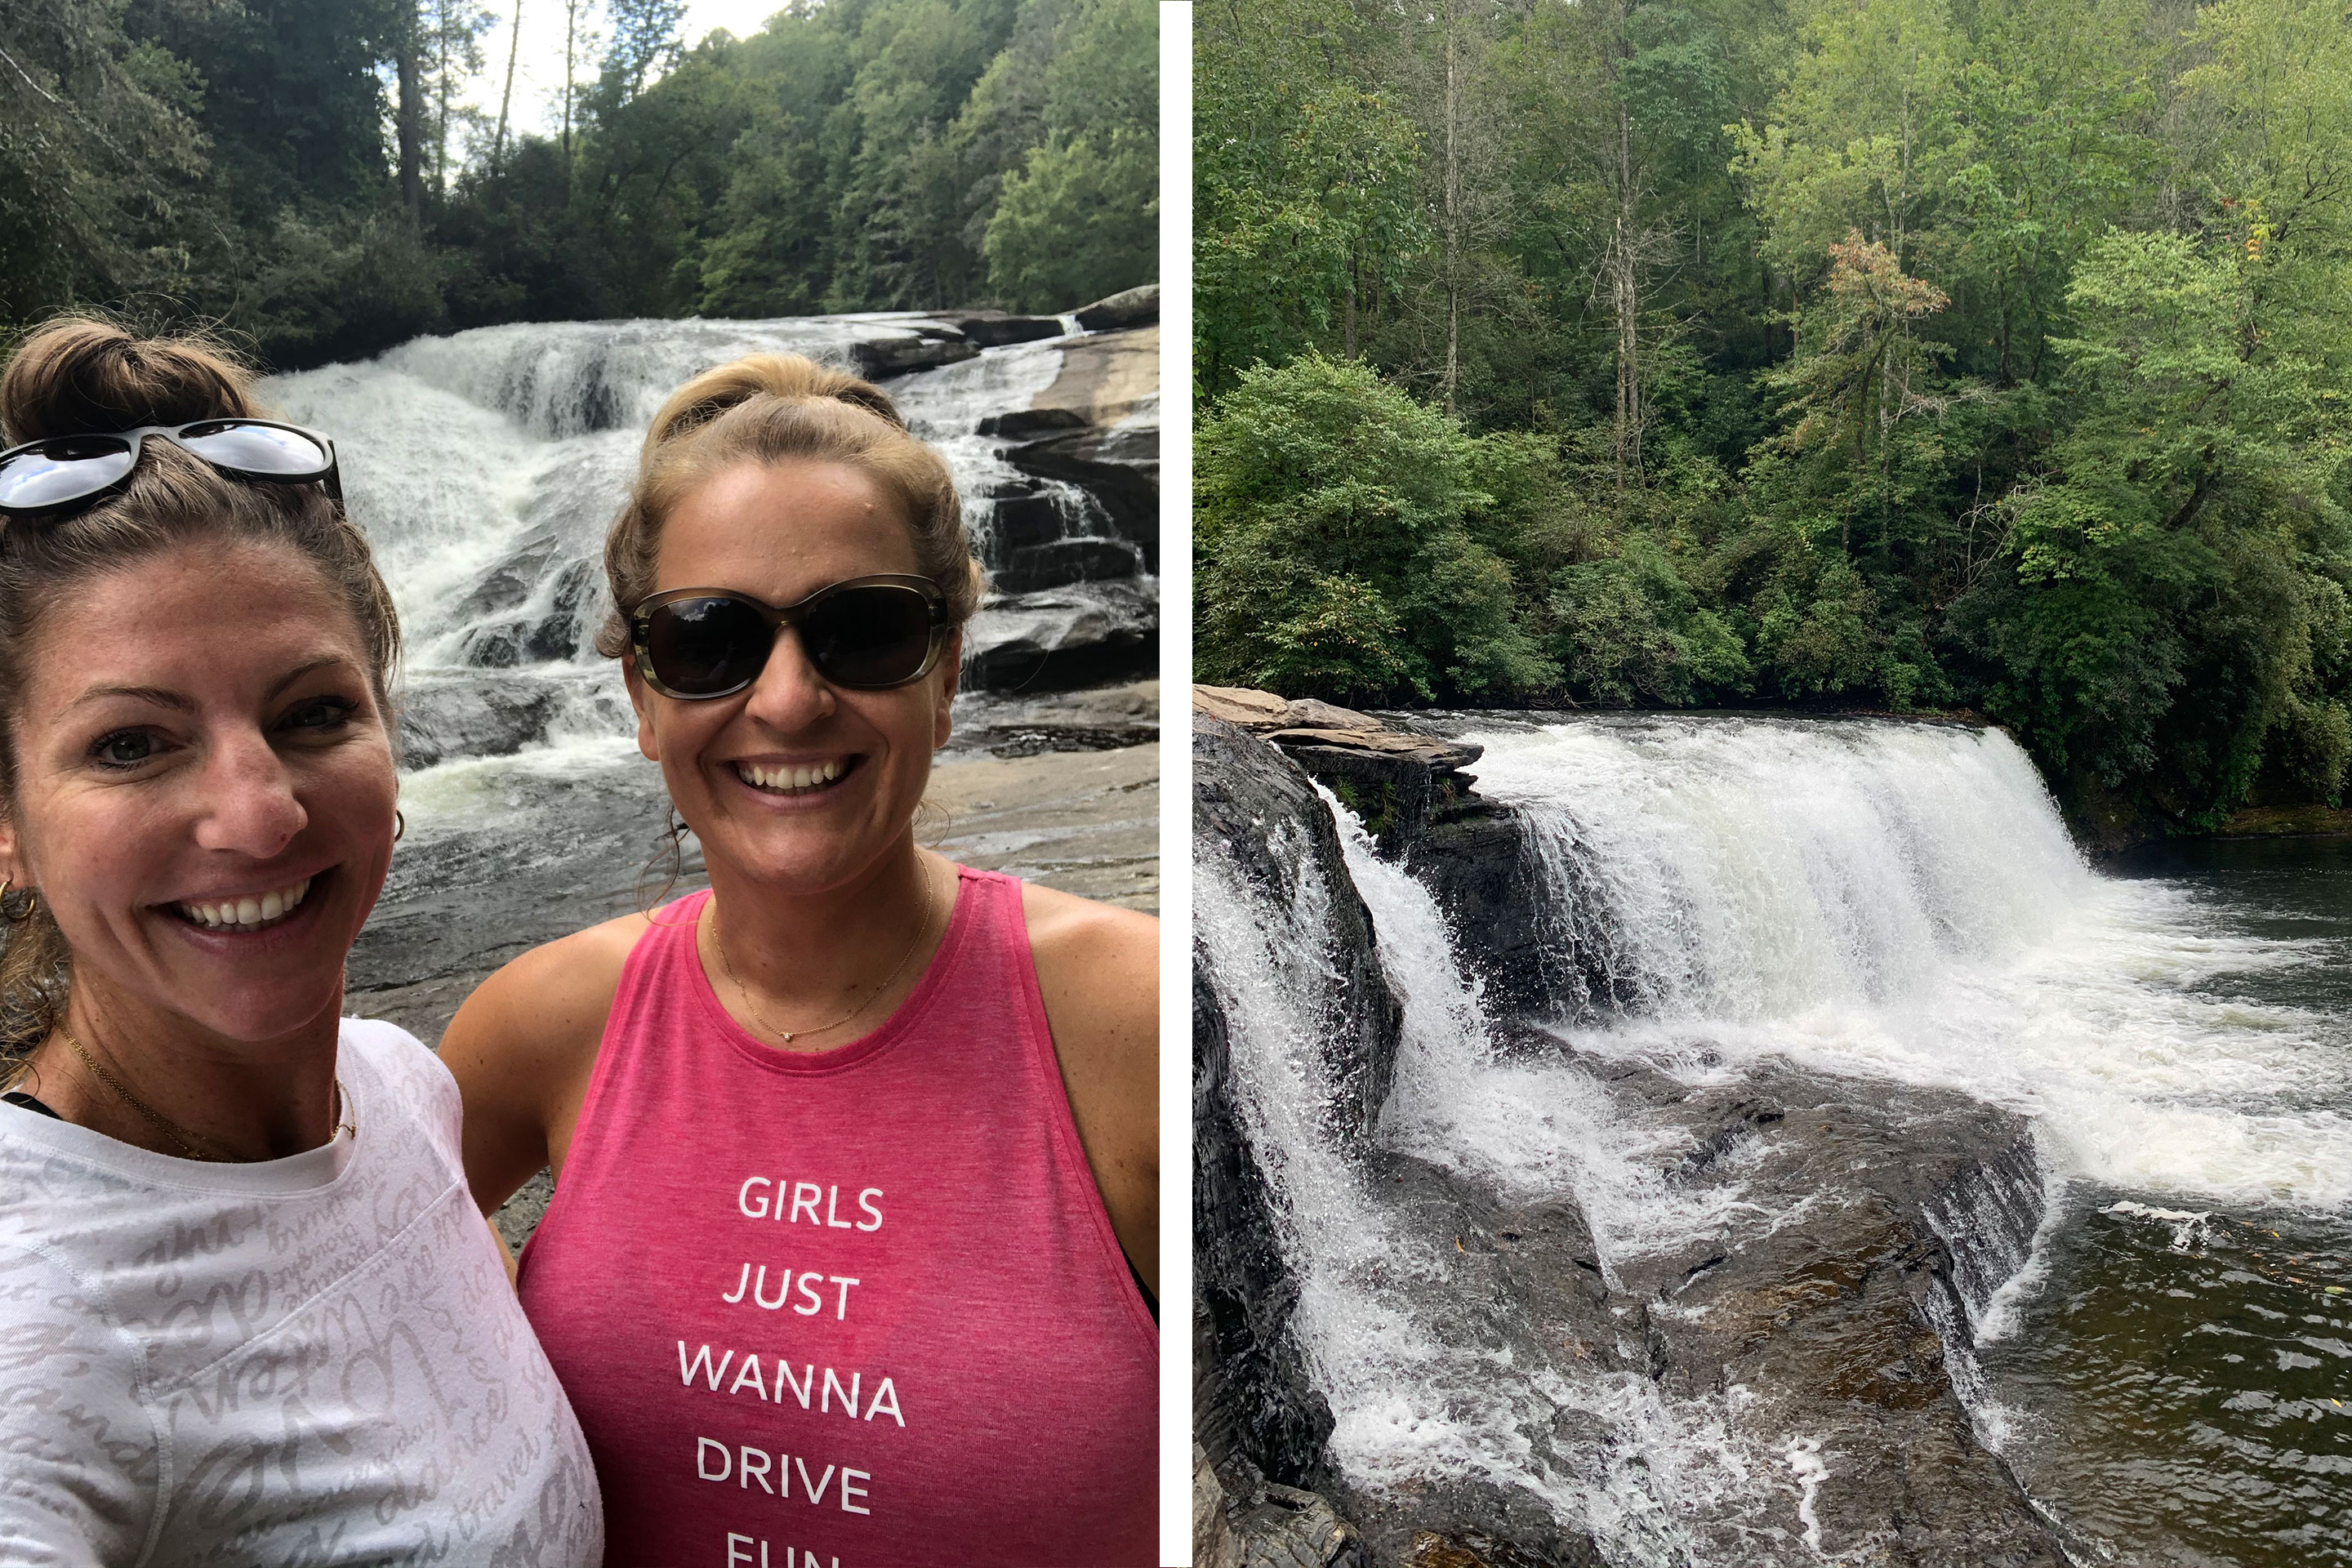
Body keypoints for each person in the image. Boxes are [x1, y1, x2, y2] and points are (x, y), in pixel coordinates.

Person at [441, 354, 1159, 1566]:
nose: (784, 700)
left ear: (947, 669)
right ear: (643, 691)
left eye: (862, 630)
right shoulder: (541, 1023)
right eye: (710, 639)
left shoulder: (1125, 1020)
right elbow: (339, 1286)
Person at [0, 318, 603, 1565]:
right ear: (8, 821)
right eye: (131, 743)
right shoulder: (37, 1321)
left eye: (314, 712)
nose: (261, 811)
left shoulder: (395, 1086)